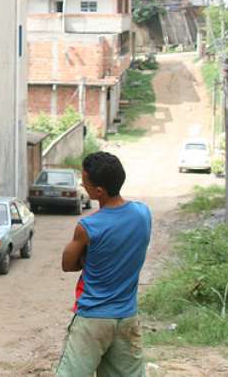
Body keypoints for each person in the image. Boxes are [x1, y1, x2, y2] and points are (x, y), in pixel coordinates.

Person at [56, 151, 152, 377]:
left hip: (93, 318)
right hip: (127, 317)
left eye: (85, 181)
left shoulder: (89, 226)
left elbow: (67, 264)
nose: (82, 184)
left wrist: (85, 255)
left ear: (99, 191)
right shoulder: (143, 213)